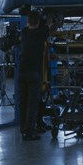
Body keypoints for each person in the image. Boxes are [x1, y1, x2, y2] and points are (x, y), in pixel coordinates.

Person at [19, 10, 52, 141]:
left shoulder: (24, 32)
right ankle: (30, 131)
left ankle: (23, 129)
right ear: (38, 22)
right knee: (33, 103)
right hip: (34, 73)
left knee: (23, 102)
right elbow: (49, 26)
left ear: (27, 21)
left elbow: (35, 25)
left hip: (22, 72)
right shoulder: (42, 32)